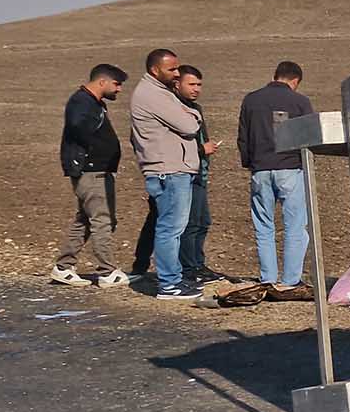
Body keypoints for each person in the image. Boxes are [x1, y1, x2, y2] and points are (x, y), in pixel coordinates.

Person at [132, 65, 224, 283]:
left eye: (199, 85)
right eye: (191, 84)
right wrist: (202, 149)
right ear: (177, 84)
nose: (196, 89)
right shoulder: (167, 106)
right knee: (179, 226)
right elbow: (171, 137)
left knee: (201, 221)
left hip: (195, 171)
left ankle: (196, 265)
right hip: (173, 172)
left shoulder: (194, 107)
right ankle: (183, 271)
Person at [129, 48, 206, 300]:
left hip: (172, 169)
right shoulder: (153, 95)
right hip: (168, 171)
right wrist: (191, 115)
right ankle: (169, 284)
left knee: (172, 227)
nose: (176, 73)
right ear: (155, 69)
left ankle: (173, 279)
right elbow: (190, 125)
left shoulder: (160, 93)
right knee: (170, 228)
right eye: (172, 69)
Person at [238, 61, 316, 295]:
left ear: (275, 76)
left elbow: (243, 136)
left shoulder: (250, 99)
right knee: (295, 226)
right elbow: (309, 136)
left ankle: (267, 278)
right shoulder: (300, 101)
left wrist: (250, 163)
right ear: (295, 81)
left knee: (263, 226)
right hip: (290, 168)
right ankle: (290, 280)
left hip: (260, 170)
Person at [52, 64, 132, 288]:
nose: (119, 90)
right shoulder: (82, 102)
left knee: (85, 219)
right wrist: (95, 147)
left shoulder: (92, 103)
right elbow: (77, 126)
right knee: (102, 220)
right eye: (116, 84)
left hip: (96, 171)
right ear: (102, 82)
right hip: (91, 171)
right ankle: (108, 272)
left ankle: (63, 267)